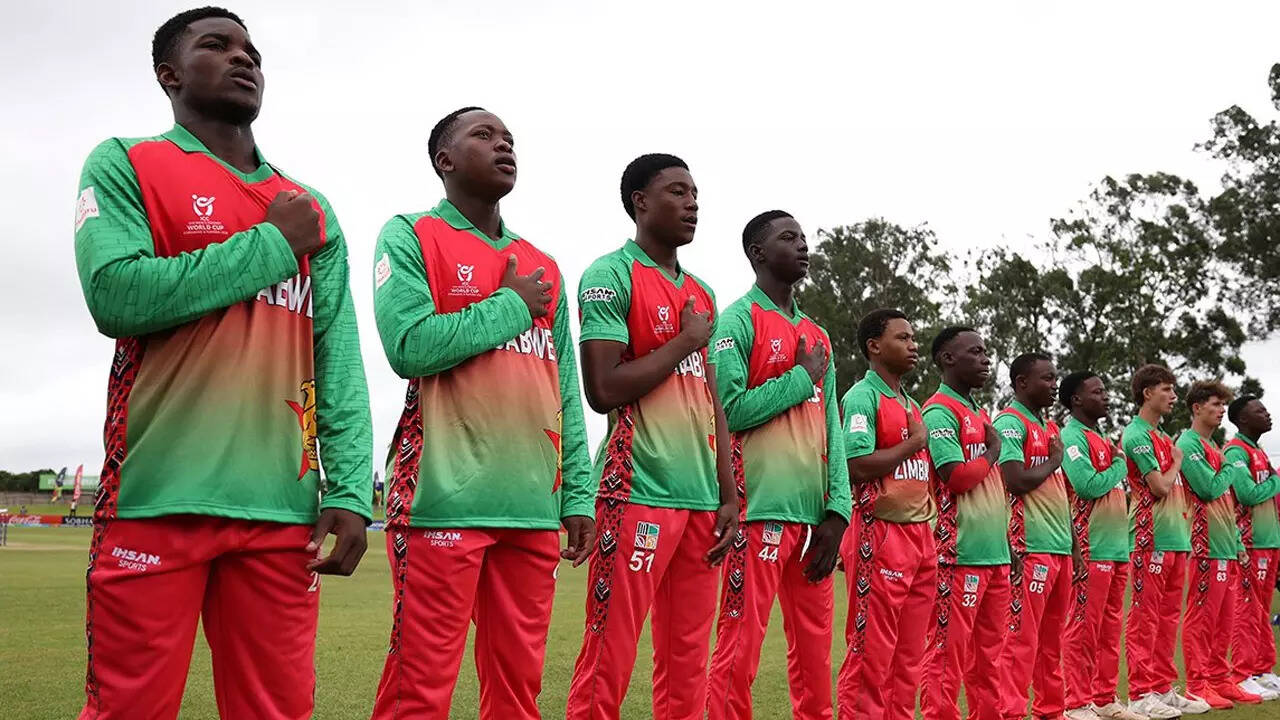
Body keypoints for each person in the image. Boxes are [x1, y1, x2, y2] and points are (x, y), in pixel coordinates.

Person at [72, 8, 372, 719]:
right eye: (217, 46)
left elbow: (337, 357)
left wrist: (351, 489)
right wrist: (271, 245)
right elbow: (116, 295)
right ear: (168, 75)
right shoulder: (124, 162)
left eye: (252, 51)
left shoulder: (310, 208)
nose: (245, 59)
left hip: (282, 512)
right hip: (157, 495)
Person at [368, 107, 594, 719]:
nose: (504, 145)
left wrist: (577, 493)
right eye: (485, 135)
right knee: (419, 688)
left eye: (510, 138)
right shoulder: (409, 234)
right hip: (442, 499)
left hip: (531, 505)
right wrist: (510, 306)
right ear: (444, 160)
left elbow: (565, 389)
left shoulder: (543, 264)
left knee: (518, 690)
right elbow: (409, 346)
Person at [565, 153, 737, 720]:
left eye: (695, 194)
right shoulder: (610, 274)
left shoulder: (703, 294)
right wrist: (685, 341)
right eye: (677, 192)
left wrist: (729, 494)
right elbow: (603, 388)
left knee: (687, 661)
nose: (692, 203)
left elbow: (712, 401)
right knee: (609, 654)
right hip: (636, 489)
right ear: (640, 201)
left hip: (701, 502)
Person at [704, 211, 850, 720]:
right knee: (739, 649)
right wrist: (800, 378)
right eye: (789, 238)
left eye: (804, 237)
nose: (803, 245)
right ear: (758, 253)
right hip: (757, 511)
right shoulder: (737, 320)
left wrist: (838, 510)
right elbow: (727, 410)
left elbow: (832, 427)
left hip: (814, 522)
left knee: (815, 658)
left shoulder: (818, 334)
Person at [836, 308, 935, 720]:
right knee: (871, 653)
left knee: (909, 657)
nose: (913, 345)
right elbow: (856, 465)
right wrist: (914, 443)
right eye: (903, 338)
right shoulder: (863, 396)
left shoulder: (910, 402)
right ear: (874, 346)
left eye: (913, 338)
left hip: (920, 537)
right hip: (880, 534)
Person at [919, 327, 1009, 720]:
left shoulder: (977, 412)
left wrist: (1006, 544)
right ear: (947, 358)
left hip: (995, 555)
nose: (985, 359)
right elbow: (956, 477)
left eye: (986, 351)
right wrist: (993, 450)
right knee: (946, 655)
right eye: (975, 352)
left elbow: (991, 486)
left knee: (990, 657)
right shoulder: (939, 411)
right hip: (960, 555)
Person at [1057, 372, 1144, 720]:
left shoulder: (1103, 438)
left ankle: (1104, 698)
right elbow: (1087, 485)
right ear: (1076, 400)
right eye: (1098, 392)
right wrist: (1120, 464)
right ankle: (1076, 703)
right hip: (1090, 548)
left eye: (1105, 390)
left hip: (1116, 547)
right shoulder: (1071, 437)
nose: (1106, 396)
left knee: (1109, 630)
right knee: (1082, 628)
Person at [1122, 364, 1207, 717]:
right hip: (1149, 538)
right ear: (1147, 393)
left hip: (1176, 538)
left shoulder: (1163, 437)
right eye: (1167, 389)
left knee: (1168, 619)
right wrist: (1176, 463)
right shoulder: (1136, 435)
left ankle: (1161, 688)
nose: (1174, 396)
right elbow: (1158, 487)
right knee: (1145, 619)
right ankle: (1140, 694)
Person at [993, 353, 1074, 720]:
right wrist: (1054, 460)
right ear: (1022, 383)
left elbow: (1060, 493)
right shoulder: (1010, 422)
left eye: (1055, 378)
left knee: (1052, 641)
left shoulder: (1050, 428)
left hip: (1060, 549)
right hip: (1030, 547)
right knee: (1020, 640)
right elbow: (1015, 479)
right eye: (1047, 378)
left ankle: (1051, 710)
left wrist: (1075, 548)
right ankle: (1010, 712)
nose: (1054, 385)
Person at [1176, 381, 1256, 707]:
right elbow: (1208, 489)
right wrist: (1229, 469)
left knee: (1224, 621)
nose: (1222, 410)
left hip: (1225, 545)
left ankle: (1220, 679)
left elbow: (1226, 500)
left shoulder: (1215, 448)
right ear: (1197, 408)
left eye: (1223, 405)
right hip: (1204, 545)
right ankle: (1197, 685)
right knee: (1201, 619)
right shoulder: (1189, 443)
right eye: (1215, 404)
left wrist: (1237, 542)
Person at [1225, 395, 1280, 700]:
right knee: (1247, 608)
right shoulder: (1236, 451)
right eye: (1260, 411)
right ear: (1243, 419)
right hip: (1250, 541)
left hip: (1269, 540)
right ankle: (1242, 673)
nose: (1267, 414)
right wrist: (1276, 481)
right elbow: (1247, 493)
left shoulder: (1258, 450)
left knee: (1261, 609)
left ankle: (1262, 669)